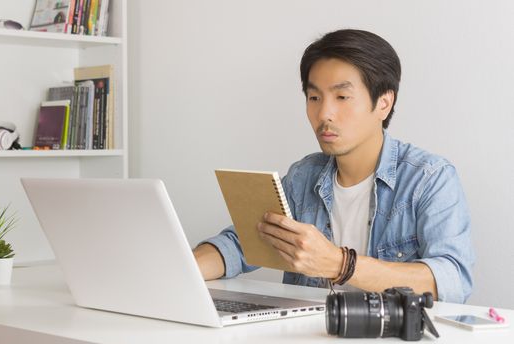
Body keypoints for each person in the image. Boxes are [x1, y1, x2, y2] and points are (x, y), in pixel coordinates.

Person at [193, 29, 474, 303]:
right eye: (314, 97)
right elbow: (239, 244)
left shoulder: (429, 178)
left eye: (342, 97)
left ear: (384, 104)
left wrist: (340, 265)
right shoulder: (303, 177)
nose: (324, 113)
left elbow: (453, 279)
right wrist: (179, 268)